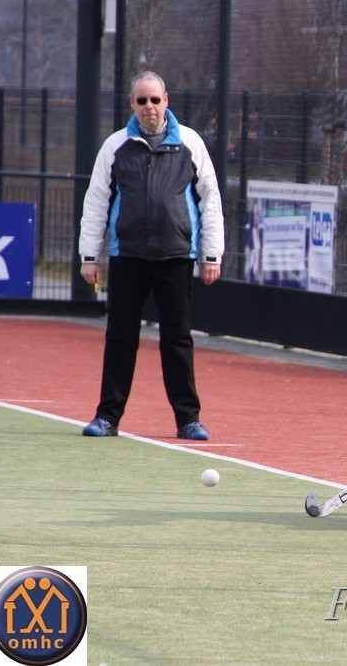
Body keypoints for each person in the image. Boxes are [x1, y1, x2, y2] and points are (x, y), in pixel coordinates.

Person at [78, 71, 224, 441]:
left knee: (178, 339)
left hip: (176, 256)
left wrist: (211, 255)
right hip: (127, 256)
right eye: (141, 101)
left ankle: (188, 419)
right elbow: (96, 201)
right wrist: (89, 255)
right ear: (132, 104)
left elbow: (210, 199)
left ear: (166, 100)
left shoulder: (190, 142)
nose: (149, 107)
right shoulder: (115, 146)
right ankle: (107, 417)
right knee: (120, 337)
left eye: (155, 100)